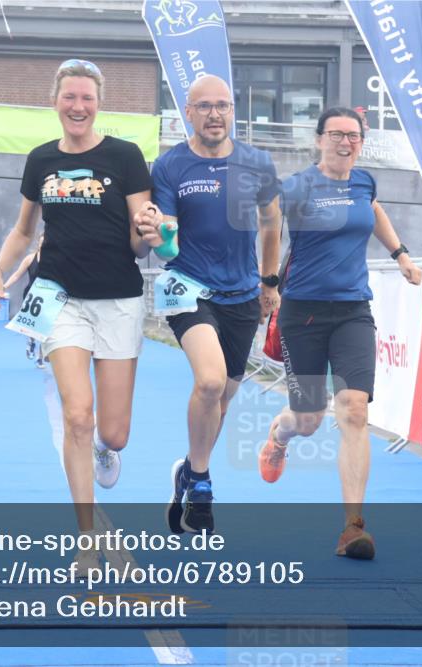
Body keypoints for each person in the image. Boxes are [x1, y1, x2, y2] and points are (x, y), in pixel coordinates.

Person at [0, 59, 163, 539]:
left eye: (86, 98)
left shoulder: (125, 157)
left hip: (119, 300)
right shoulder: (41, 159)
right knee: (77, 413)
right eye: (69, 97)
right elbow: (24, 230)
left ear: (99, 104)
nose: (78, 106)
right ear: (55, 101)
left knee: (113, 431)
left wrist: (149, 234)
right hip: (60, 297)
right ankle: (85, 536)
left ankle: (107, 448)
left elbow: (138, 241)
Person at [257, 107, 422, 560]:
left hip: (353, 311)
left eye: (353, 136)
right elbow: (268, 226)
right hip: (303, 314)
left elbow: (374, 211)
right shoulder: (296, 187)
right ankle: (279, 436)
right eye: (336, 135)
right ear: (318, 140)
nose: (345, 142)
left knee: (354, 409)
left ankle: (353, 526)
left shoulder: (365, 182)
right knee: (308, 420)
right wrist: (268, 283)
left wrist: (401, 255)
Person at [151, 75, 282, 534]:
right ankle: (202, 484)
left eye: (222, 106)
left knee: (222, 401)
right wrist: (161, 238)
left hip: (243, 294)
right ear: (187, 112)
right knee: (208, 384)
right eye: (203, 106)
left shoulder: (257, 163)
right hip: (188, 288)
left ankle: (188, 468)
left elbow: (271, 225)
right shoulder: (169, 166)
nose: (214, 114)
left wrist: (270, 281)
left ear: (233, 111)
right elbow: (165, 233)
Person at [3, 233, 45, 369]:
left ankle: (40, 358)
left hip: (48, 296)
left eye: (46, 242)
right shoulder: (29, 259)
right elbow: (16, 275)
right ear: (38, 243)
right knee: (33, 328)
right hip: (31, 296)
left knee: (45, 328)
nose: (43, 244)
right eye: (41, 242)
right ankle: (31, 341)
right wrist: (3, 286)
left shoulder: (54, 260)